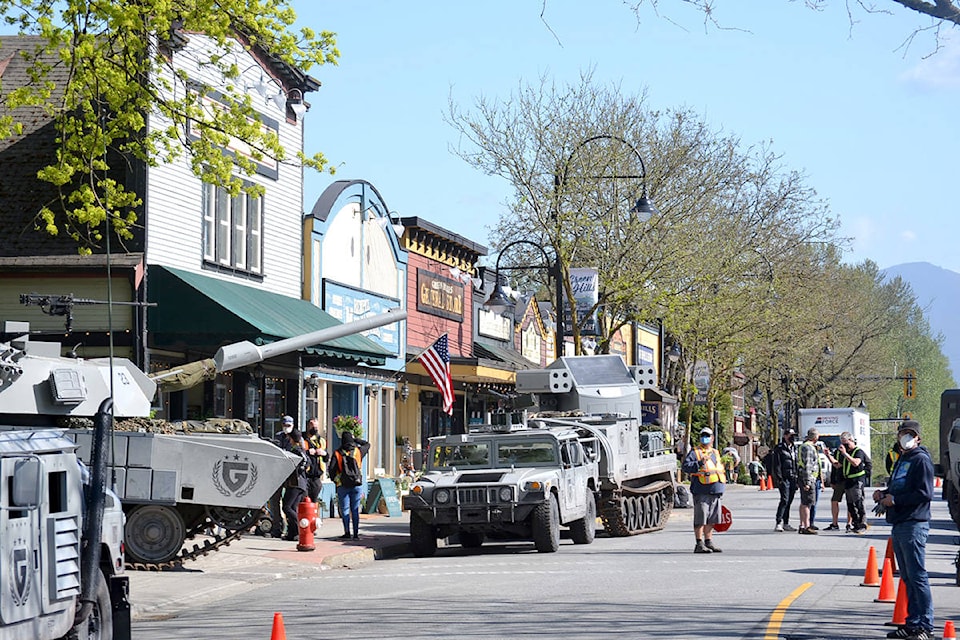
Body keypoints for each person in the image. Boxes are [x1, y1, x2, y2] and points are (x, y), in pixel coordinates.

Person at [873, 421, 934, 640]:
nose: (906, 437)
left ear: (918, 438)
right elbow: (899, 486)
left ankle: (925, 626)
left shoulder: (921, 460)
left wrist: (895, 500)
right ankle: (912, 623)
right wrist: (884, 494)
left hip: (913, 523)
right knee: (907, 577)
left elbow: (925, 493)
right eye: (903, 433)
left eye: (910, 434)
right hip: (899, 523)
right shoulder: (902, 460)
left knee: (917, 576)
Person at [681, 427, 726, 554]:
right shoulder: (695, 452)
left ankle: (708, 541)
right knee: (701, 518)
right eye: (703, 435)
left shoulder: (716, 452)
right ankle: (699, 543)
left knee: (712, 518)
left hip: (715, 489)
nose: (705, 438)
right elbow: (686, 467)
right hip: (701, 490)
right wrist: (699, 463)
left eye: (708, 436)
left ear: (712, 438)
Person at [329, 431, 370, 540]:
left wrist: (336, 481)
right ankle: (356, 534)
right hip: (356, 484)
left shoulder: (337, 453)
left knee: (345, 509)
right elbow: (367, 444)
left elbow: (331, 470)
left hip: (343, 485)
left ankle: (347, 532)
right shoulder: (358, 451)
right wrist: (355, 439)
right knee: (355, 509)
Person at [268, 415, 297, 538]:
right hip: (278, 473)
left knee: (290, 505)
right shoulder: (278, 436)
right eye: (285, 425)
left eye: (289, 426)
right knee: (275, 501)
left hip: (292, 475)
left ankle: (293, 529)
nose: (286, 428)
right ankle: (277, 527)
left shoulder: (296, 437)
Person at [837, 431, 868, 534]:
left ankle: (862, 523)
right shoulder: (845, 454)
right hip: (848, 480)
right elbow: (838, 465)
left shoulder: (858, 451)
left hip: (857, 480)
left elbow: (856, 463)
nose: (845, 446)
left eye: (846, 443)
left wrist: (845, 453)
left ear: (851, 440)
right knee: (850, 504)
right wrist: (828, 456)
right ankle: (855, 523)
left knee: (858, 502)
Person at [770, 428, 798, 532]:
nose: (792, 437)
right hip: (784, 478)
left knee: (789, 501)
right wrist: (779, 478)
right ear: (785, 436)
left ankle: (786, 523)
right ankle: (778, 522)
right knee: (784, 500)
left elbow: (796, 463)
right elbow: (776, 465)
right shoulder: (779, 448)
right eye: (790, 435)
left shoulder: (794, 448)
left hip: (793, 478)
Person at [797, 428, 822, 534]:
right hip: (808, 478)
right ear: (815, 437)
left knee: (804, 502)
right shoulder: (808, 448)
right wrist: (807, 482)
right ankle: (807, 526)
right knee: (807, 503)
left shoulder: (805, 446)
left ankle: (802, 525)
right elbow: (808, 465)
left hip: (805, 477)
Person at [304, 418, 328, 505]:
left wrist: (324, 453)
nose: (315, 429)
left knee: (314, 501)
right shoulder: (303, 439)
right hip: (305, 475)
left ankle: (313, 517)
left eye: (316, 427)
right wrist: (307, 452)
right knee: (304, 500)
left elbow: (326, 458)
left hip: (316, 476)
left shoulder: (320, 440)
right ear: (308, 426)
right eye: (313, 426)